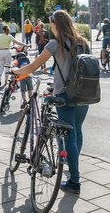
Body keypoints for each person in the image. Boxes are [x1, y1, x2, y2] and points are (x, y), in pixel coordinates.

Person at [13, 10, 90, 194]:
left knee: (69, 136)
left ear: (56, 24)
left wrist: (16, 72)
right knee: (77, 132)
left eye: (51, 24)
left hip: (64, 95)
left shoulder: (56, 43)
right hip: (84, 94)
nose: (50, 27)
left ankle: (74, 182)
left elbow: (33, 67)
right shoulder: (83, 42)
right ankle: (73, 170)